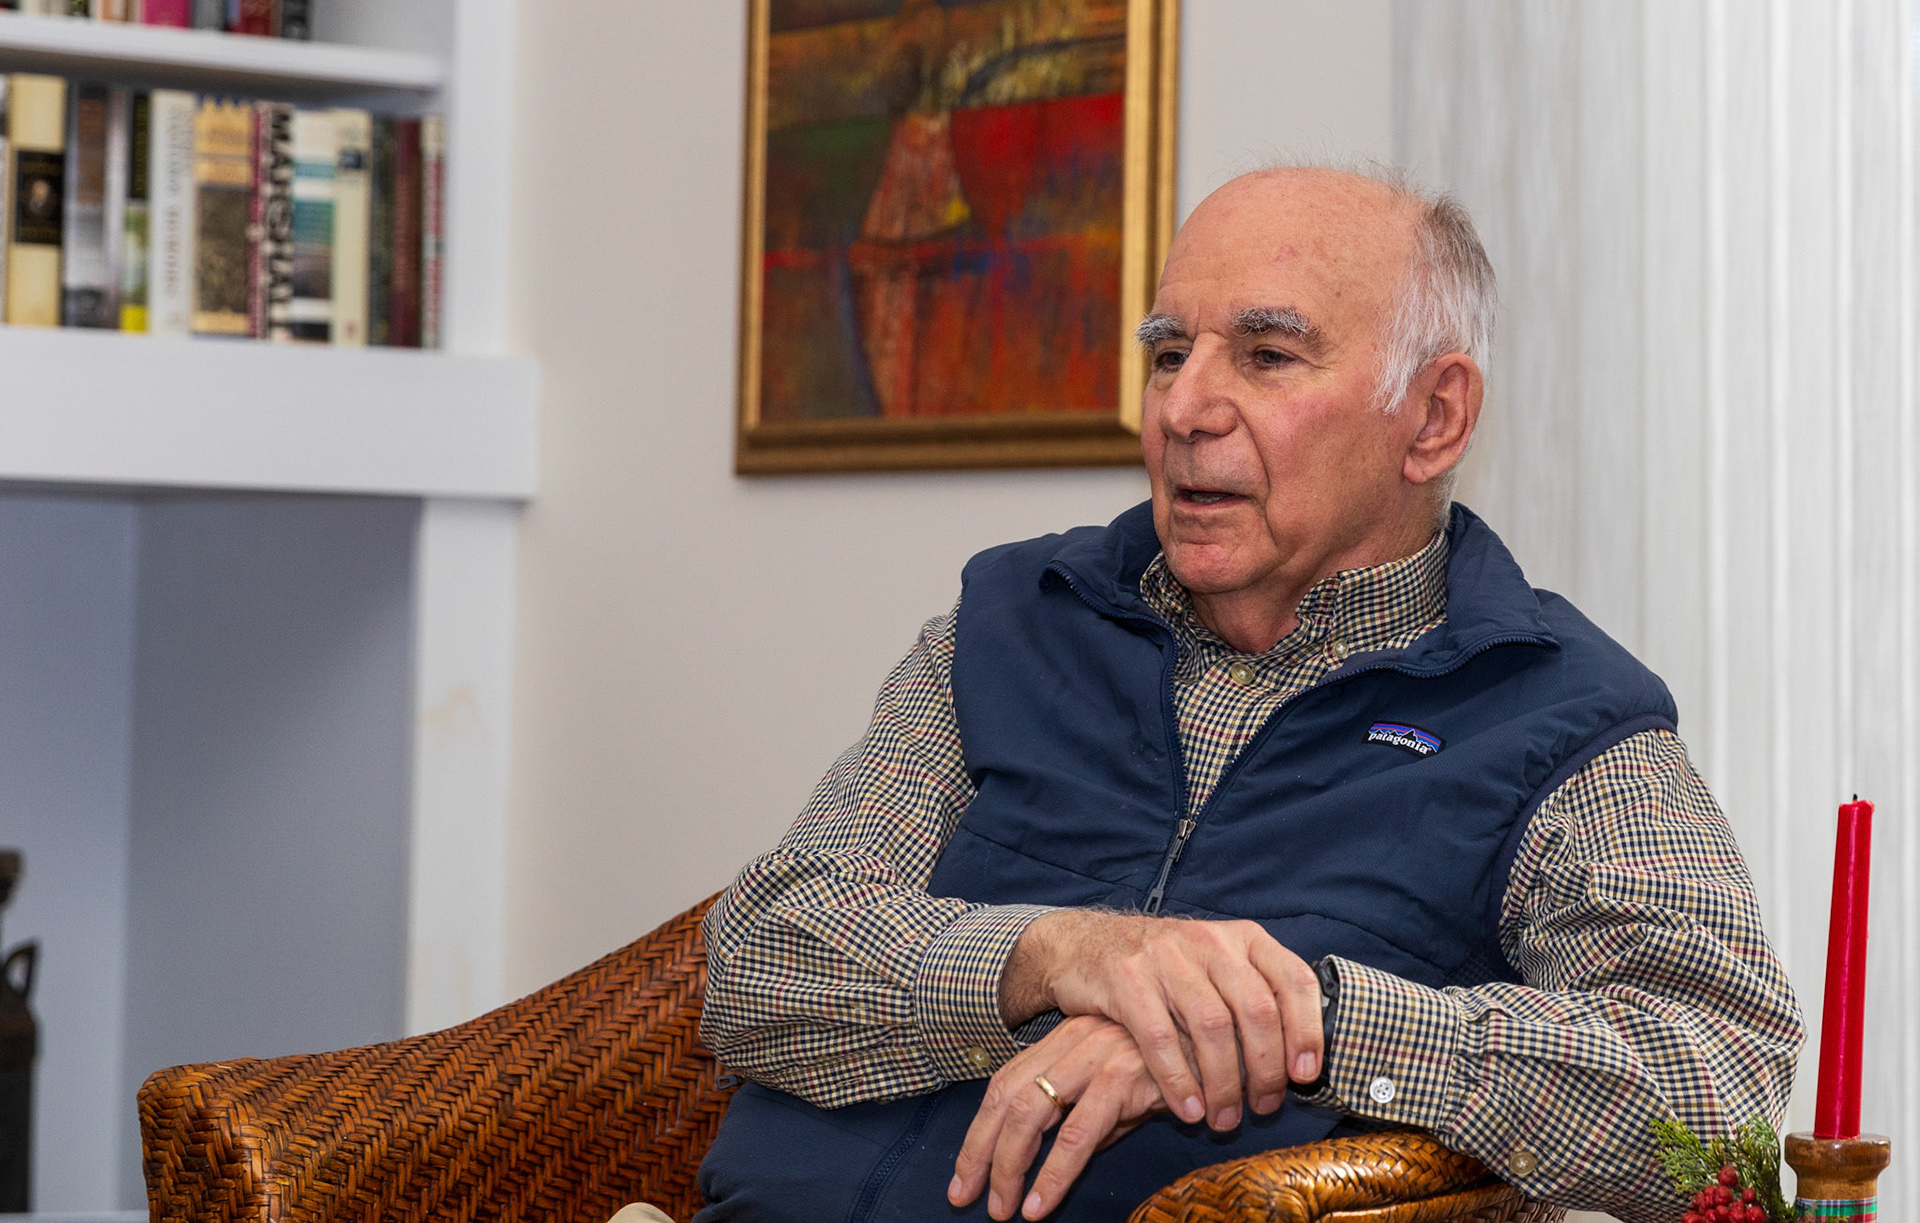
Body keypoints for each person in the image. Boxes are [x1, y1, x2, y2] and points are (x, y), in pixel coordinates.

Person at [690, 166, 1804, 1223]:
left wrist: (1294, 1022)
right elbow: (758, 957)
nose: (1184, 407)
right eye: (1169, 353)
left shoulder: (1557, 714)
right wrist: (1059, 958)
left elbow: (1718, 1093)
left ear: (1434, 419)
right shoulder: (1012, 619)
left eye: (1267, 355)